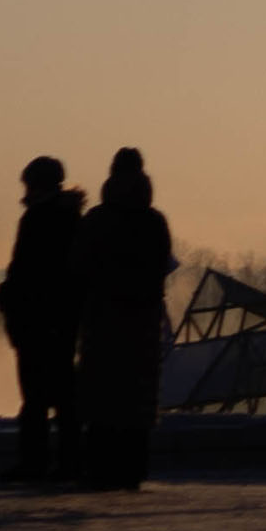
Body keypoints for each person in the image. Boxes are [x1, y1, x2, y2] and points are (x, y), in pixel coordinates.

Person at [69, 147, 174, 488]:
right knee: (136, 398)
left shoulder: (97, 219)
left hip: (104, 318)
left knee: (103, 395)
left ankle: (100, 466)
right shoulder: (154, 221)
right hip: (142, 319)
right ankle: (133, 467)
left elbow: (79, 268)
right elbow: (161, 267)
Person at [0, 157, 83, 483]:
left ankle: (34, 461)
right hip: (60, 318)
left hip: (36, 317)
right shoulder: (71, 218)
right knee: (62, 395)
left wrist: (8, 296)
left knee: (35, 395)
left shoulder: (37, 219)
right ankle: (68, 461)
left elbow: (26, 271)